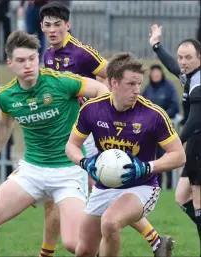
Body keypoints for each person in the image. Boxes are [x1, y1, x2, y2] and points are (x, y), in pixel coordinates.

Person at [38, 3, 174, 256]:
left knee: (106, 186)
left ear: (68, 26)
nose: (52, 30)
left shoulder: (81, 53)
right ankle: (155, 240)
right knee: (96, 191)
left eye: (58, 24)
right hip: (68, 130)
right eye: (47, 25)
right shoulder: (47, 56)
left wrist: (101, 106)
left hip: (91, 130)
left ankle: (55, 250)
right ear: (42, 28)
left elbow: (111, 74)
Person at [0, 30, 109, 256]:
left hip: (68, 173)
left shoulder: (60, 82)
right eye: (20, 60)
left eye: (31, 59)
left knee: (75, 245)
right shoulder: (7, 96)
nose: (28, 65)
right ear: (10, 63)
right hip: (31, 172)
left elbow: (101, 90)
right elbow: (3, 126)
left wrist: (94, 120)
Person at [65, 52, 186, 257]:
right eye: (131, 84)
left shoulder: (153, 115)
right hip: (104, 186)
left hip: (142, 186)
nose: (137, 90)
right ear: (114, 82)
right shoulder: (92, 109)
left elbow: (178, 155)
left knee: (111, 222)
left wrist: (147, 166)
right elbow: (71, 146)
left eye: (139, 84)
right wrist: (85, 163)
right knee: (83, 251)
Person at [149, 24, 201, 254]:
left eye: (188, 57)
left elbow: (195, 120)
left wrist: (174, 144)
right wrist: (157, 45)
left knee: (198, 202)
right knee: (181, 197)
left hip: (199, 144)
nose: (183, 61)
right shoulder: (189, 76)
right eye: (181, 57)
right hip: (195, 144)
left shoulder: (199, 82)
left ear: (199, 58)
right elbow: (171, 66)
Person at [143, 64, 180, 188]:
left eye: (157, 73)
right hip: (150, 130)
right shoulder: (147, 89)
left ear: (161, 74)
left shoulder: (169, 87)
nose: (155, 76)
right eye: (153, 74)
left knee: (167, 155)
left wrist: (160, 116)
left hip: (165, 129)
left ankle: (169, 185)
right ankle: (156, 184)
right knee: (154, 157)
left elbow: (175, 106)